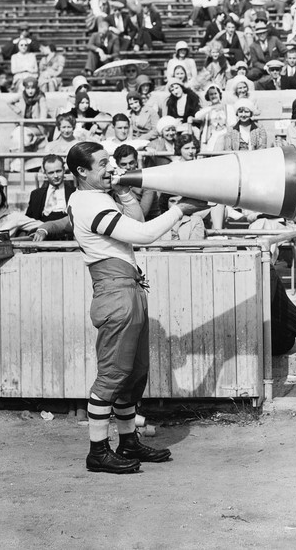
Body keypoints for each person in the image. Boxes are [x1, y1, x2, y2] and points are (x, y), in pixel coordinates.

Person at [65, 142, 184, 473]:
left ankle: (128, 440)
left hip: (128, 289)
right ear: (81, 172)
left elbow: (136, 218)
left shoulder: (96, 197)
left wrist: (126, 192)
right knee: (113, 375)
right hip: (115, 293)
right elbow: (144, 234)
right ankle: (98, 451)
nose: (111, 167)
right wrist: (180, 210)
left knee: (135, 373)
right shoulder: (88, 202)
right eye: (102, 163)